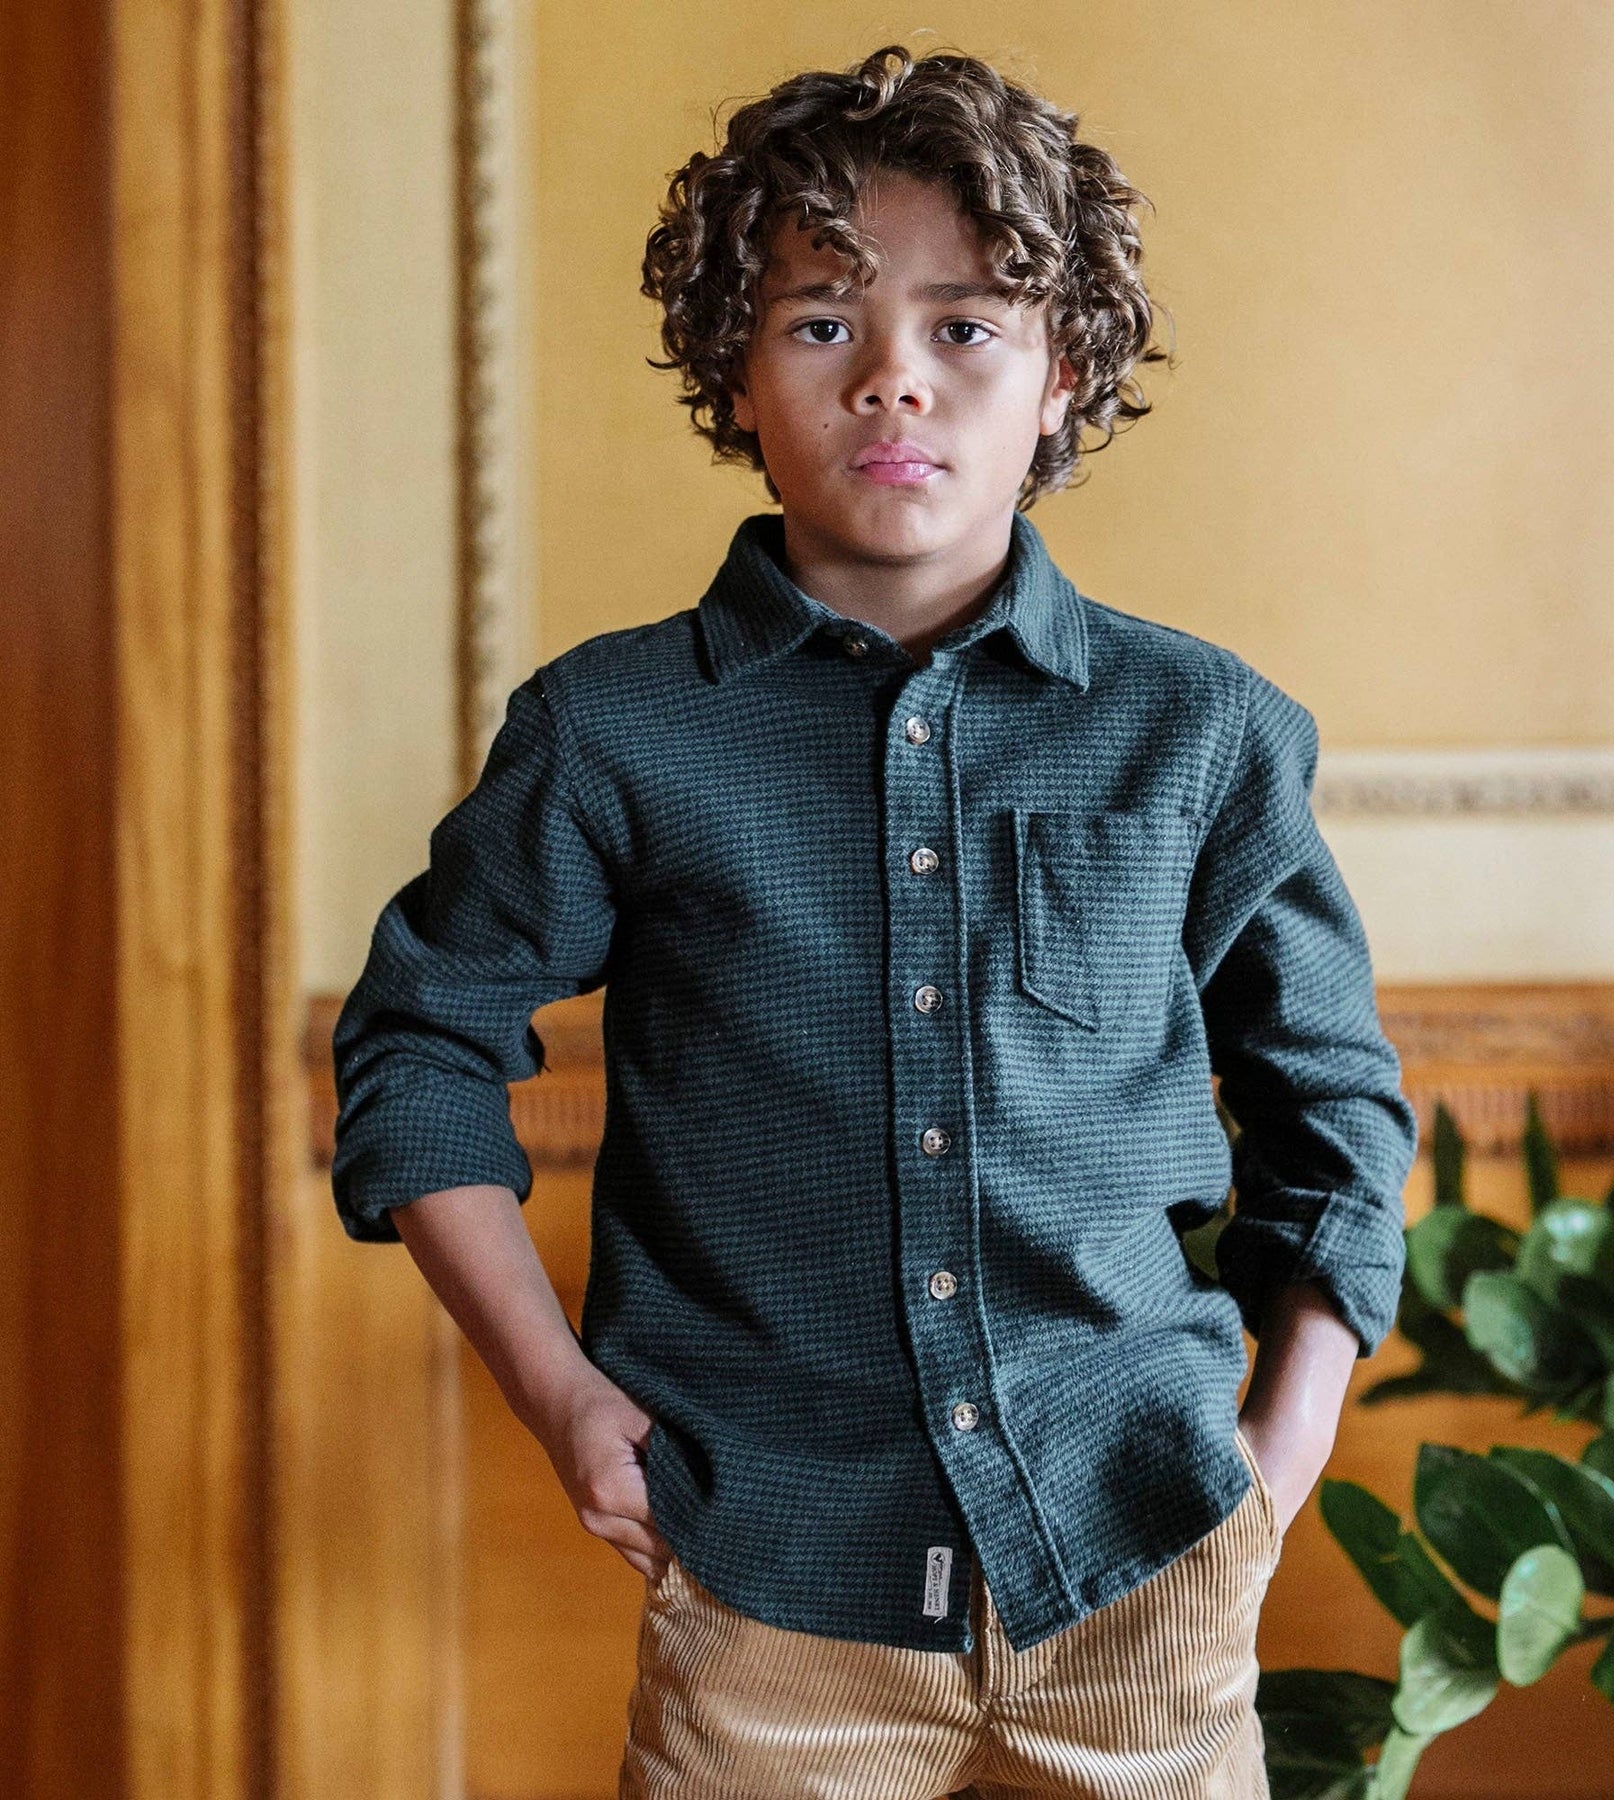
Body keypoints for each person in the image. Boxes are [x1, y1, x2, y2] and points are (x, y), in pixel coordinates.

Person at [330, 41, 1418, 1800]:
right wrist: (559, 1397)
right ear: (734, 374)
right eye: (823, 323)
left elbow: (1336, 1109)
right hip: (765, 1591)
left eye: (965, 326)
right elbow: (418, 1053)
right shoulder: (611, 732)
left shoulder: (1202, 730)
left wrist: (1277, 1457)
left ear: (1062, 377)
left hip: (1147, 1571)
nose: (894, 380)